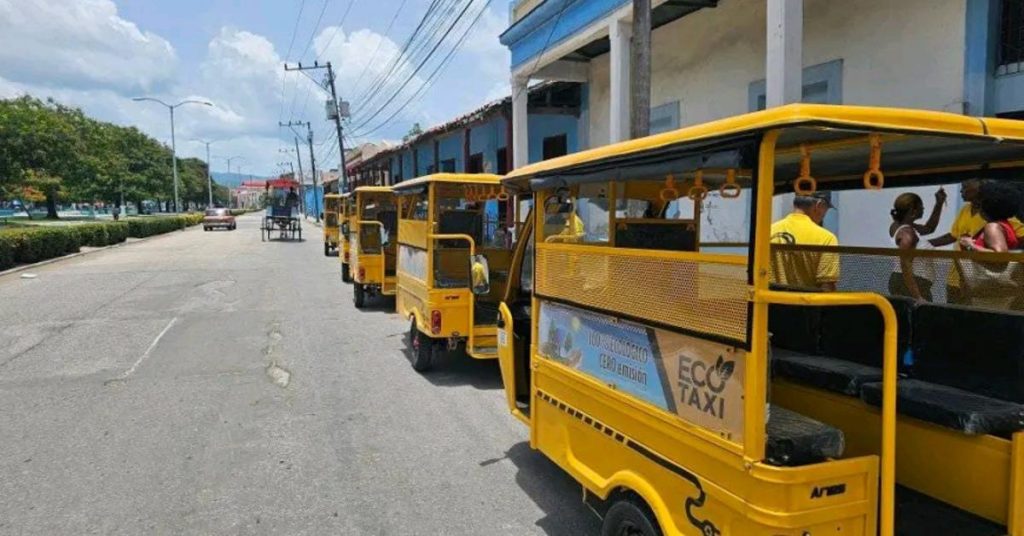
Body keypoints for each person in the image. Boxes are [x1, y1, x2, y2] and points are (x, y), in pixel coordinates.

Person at [929, 179, 1024, 303]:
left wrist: (971, 245)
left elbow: (1000, 254)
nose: (962, 190)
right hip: (959, 279)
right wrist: (926, 244)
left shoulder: (995, 225)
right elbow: (954, 235)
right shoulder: (965, 210)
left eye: (965, 186)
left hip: (984, 283)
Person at [956, 181, 1024, 309]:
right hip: (996, 292)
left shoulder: (992, 227)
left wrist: (970, 244)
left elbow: (1000, 256)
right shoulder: (1004, 225)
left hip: (991, 294)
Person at [769, 192, 839, 291]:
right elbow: (827, 285)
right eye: (826, 209)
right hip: (804, 305)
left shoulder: (769, 231)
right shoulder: (827, 238)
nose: (824, 214)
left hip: (769, 303)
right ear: (819, 205)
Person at [888, 189, 946, 301]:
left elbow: (929, 228)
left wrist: (939, 204)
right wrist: (918, 296)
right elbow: (905, 265)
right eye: (921, 206)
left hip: (906, 281)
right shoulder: (907, 234)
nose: (923, 209)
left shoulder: (899, 226)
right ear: (912, 211)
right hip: (912, 284)